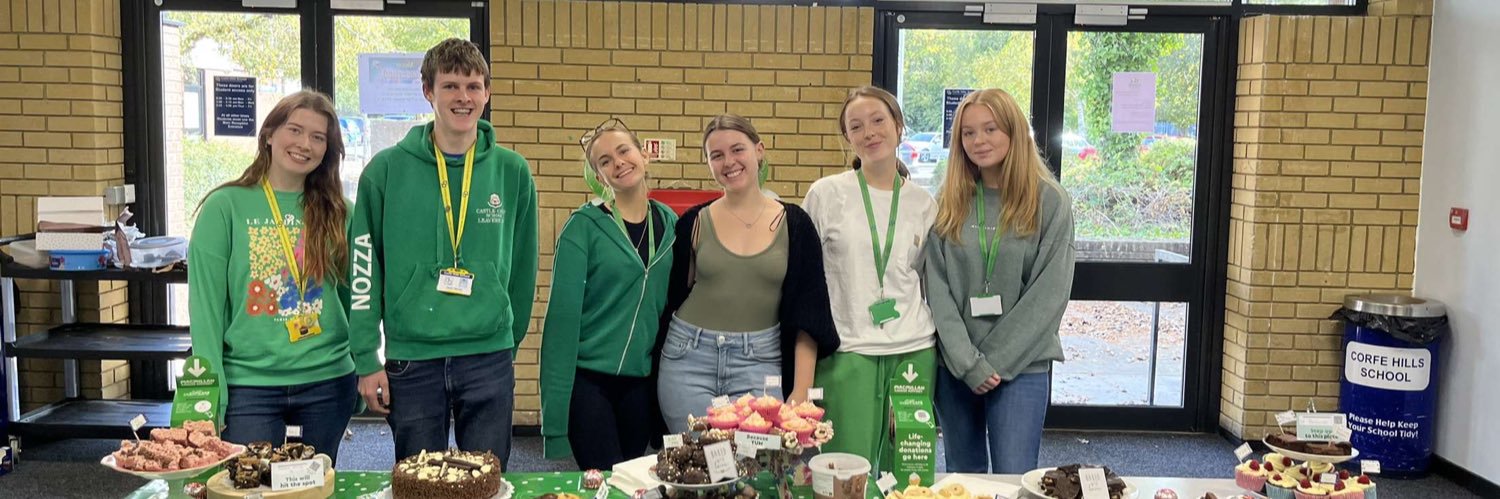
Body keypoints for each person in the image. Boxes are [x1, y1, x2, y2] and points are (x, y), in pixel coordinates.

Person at [347, 38, 538, 465]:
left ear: (487, 93)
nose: (462, 97)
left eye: (473, 86)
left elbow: (525, 266)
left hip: (488, 355)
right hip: (413, 358)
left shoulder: (512, 172)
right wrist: (366, 357)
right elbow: (363, 270)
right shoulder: (385, 171)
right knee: (419, 482)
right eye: (450, 85)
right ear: (428, 91)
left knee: (486, 479)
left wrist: (508, 340)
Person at [188, 90, 357, 462]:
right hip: (249, 384)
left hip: (327, 381)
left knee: (313, 484)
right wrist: (210, 390)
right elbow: (206, 308)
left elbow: (354, 298)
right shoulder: (225, 207)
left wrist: (361, 365)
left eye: (318, 137)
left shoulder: (340, 212)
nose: (304, 144)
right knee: (249, 483)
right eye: (294, 130)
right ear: (268, 134)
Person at [657, 114, 839, 433]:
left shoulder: (795, 224)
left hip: (759, 363)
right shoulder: (693, 223)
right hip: (688, 360)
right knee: (699, 458)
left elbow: (809, 314)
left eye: (737, 149)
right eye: (717, 155)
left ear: (759, 150)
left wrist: (801, 389)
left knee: (754, 459)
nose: (729, 162)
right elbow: (668, 296)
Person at [927, 88, 1075, 473]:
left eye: (990, 129)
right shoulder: (948, 200)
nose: (979, 140)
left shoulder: (1049, 201)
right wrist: (968, 362)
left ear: (1014, 131)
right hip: (956, 368)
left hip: (1022, 367)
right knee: (964, 480)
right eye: (968, 132)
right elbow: (937, 288)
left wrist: (991, 363)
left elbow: (1049, 295)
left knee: (1015, 479)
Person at [803, 86, 939, 473]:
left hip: (913, 350)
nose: (869, 133)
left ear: (898, 126)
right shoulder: (826, 194)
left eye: (878, 120)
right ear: (847, 136)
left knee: (909, 475)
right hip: (848, 350)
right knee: (845, 473)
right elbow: (806, 282)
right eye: (856, 126)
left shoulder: (924, 203)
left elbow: (928, 280)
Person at [540, 118, 678, 469]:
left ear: (644, 155)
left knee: (629, 479)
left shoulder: (671, 224)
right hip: (589, 381)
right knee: (604, 478)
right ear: (599, 177)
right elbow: (561, 323)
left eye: (623, 151)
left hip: (641, 383)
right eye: (605, 161)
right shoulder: (583, 228)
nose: (618, 163)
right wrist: (553, 421)